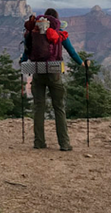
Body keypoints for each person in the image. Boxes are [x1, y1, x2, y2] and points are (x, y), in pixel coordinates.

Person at [21, 8, 83, 151]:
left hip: (37, 71)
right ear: (56, 20)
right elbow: (72, 52)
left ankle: (39, 142)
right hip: (54, 72)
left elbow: (26, 52)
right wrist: (82, 63)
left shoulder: (32, 33)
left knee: (38, 108)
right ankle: (64, 144)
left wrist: (22, 62)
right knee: (59, 108)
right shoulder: (59, 33)